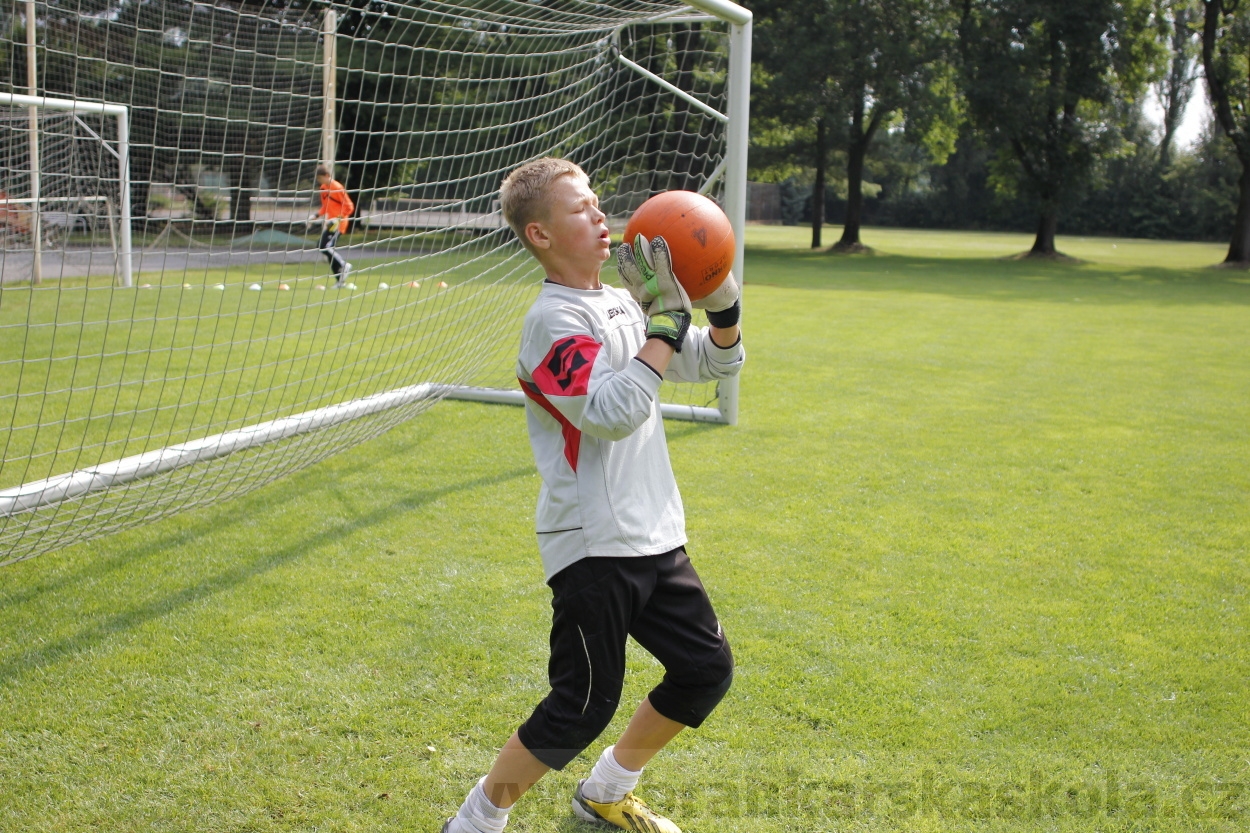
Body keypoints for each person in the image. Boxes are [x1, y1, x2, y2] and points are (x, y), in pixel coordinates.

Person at [441, 157, 744, 833]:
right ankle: (475, 821)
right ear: (540, 236)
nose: (601, 215)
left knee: (704, 668)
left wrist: (719, 304)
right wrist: (664, 321)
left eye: (598, 202)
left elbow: (716, 363)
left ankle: (606, 791)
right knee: (582, 701)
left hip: (655, 532)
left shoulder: (620, 300)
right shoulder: (551, 321)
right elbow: (610, 411)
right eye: (580, 208)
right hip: (592, 544)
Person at [311, 164, 354, 287]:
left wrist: (338, 218)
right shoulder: (323, 188)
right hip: (331, 223)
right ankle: (340, 281)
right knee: (324, 247)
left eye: (320, 178)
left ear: (327, 176)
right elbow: (326, 206)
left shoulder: (337, 187)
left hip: (339, 223)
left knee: (325, 246)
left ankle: (343, 265)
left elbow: (349, 207)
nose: (319, 181)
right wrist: (316, 215)